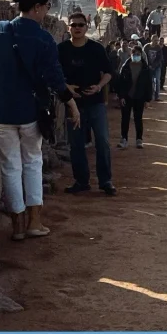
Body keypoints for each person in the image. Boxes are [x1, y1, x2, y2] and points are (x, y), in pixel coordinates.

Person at [0, 0, 79, 243]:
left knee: (9, 166)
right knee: (32, 162)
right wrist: (71, 103)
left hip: (1, 112)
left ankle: (17, 225)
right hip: (30, 111)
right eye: (47, 6)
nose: (47, 11)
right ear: (38, 7)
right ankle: (35, 222)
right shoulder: (44, 39)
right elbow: (55, 78)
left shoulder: (0, 30)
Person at [58, 11, 116, 196]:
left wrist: (99, 87)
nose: (77, 28)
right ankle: (81, 181)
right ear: (68, 28)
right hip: (73, 104)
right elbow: (53, 74)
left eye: (80, 25)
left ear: (87, 27)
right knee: (76, 145)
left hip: (95, 103)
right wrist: (67, 87)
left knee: (103, 141)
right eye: (73, 25)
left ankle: (105, 181)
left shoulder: (96, 49)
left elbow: (108, 72)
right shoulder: (61, 50)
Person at [115, 40, 156, 148]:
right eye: (134, 54)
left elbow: (148, 84)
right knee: (125, 119)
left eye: (138, 54)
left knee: (138, 118)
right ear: (131, 54)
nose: (136, 56)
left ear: (141, 55)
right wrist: (121, 96)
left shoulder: (145, 69)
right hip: (127, 97)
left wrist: (147, 100)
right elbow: (120, 83)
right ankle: (124, 139)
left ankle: (139, 139)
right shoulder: (125, 67)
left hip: (139, 97)